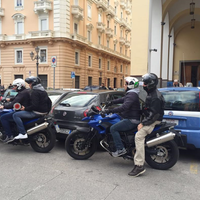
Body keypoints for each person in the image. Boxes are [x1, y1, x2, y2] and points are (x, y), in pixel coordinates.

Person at [128, 73, 165, 177]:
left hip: (153, 120)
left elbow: (154, 114)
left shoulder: (155, 97)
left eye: (145, 83)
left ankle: (139, 165)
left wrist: (143, 123)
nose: (143, 85)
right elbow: (148, 110)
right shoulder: (151, 93)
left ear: (151, 84)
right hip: (150, 118)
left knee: (138, 136)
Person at [104, 77, 141, 157]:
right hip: (131, 118)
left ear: (130, 85)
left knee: (113, 128)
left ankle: (120, 149)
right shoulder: (132, 94)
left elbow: (124, 107)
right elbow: (122, 99)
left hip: (131, 120)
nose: (124, 85)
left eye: (125, 84)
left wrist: (110, 110)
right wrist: (111, 102)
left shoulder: (132, 95)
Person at [0, 78, 31, 143]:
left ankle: (9, 135)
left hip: (22, 111)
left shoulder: (22, 93)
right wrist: (9, 99)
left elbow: (13, 104)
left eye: (15, 86)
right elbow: (17, 98)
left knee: (3, 118)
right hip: (24, 110)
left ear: (20, 85)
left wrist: (3, 106)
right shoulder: (24, 92)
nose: (14, 88)